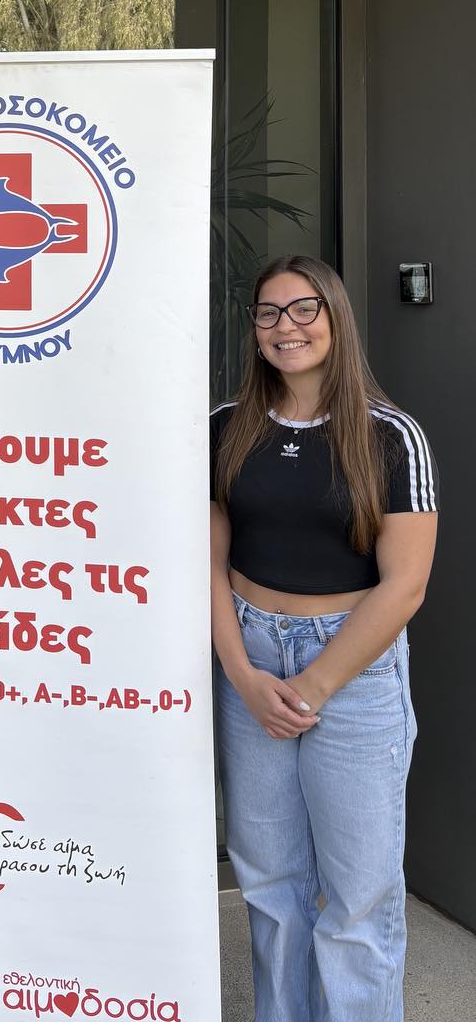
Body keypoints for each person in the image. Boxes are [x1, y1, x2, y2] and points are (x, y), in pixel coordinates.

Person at [210, 254, 438, 1022]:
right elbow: (207, 561)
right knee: (271, 883)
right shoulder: (225, 427)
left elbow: (405, 585)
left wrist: (313, 685)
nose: (287, 327)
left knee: (357, 897)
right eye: (269, 313)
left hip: (352, 669)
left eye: (304, 308)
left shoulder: (391, 435)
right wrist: (242, 674)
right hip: (249, 658)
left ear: (336, 316)